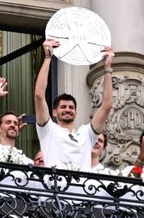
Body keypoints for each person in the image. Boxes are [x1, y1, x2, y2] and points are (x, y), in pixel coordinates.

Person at [33, 38, 114, 170]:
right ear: (54, 112)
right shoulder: (48, 130)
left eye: (71, 107)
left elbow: (107, 106)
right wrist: (48, 57)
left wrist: (107, 68)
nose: (67, 110)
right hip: (56, 187)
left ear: (76, 112)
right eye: (63, 107)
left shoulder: (86, 133)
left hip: (81, 189)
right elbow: (39, 95)